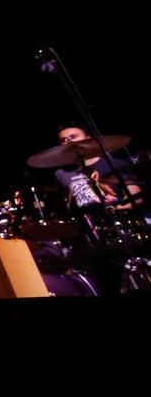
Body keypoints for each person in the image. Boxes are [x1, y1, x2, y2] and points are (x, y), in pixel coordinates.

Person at [51, 122, 148, 294]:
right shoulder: (62, 174)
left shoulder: (113, 164)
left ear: (88, 139)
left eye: (73, 137)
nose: (68, 142)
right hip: (89, 233)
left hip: (121, 224)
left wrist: (114, 207)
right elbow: (66, 209)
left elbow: (134, 195)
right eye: (63, 140)